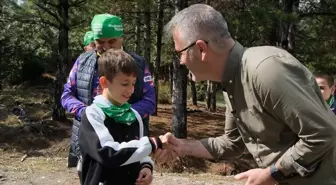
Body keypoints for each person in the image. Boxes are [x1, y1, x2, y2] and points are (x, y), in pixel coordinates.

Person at [155, 4, 336, 185]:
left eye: (180, 52)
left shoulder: (266, 70)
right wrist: (181, 146)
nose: (181, 61)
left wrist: (272, 173)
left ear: (201, 49)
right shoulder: (232, 80)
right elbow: (232, 143)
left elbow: (322, 134)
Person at [61, 13, 156, 169]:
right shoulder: (82, 61)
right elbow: (67, 95)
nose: (106, 47)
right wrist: (87, 113)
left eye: (112, 41)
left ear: (121, 38)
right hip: (91, 139)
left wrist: (125, 114)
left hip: (128, 138)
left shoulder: (138, 63)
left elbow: (150, 101)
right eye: (100, 42)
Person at [79, 49, 164, 185]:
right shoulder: (93, 115)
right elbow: (108, 153)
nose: (131, 90)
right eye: (125, 84)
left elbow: (139, 149)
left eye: (133, 83)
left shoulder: (133, 115)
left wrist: (146, 166)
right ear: (104, 82)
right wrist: (153, 144)